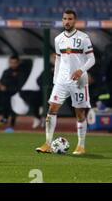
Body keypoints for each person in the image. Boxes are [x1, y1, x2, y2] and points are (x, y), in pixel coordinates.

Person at [36, 9, 95, 155]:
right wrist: (56, 80)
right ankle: (47, 143)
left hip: (79, 81)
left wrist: (81, 70)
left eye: (70, 19)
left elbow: (92, 59)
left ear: (75, 21)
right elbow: (58, 59)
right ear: (62, 20)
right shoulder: (58, 39)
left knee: (79, 113)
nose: (67, 21)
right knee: (51, 109)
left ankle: (81, 145)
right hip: (62, 81)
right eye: (64, 19)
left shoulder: (83, 38)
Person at [0, 55, 27, 132]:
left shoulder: (22, 72)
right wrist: (0, 85)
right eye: (11, 63)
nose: (13, 64)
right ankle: (5, 118)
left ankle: (11, 123)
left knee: (11, 102)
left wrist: (6, 88)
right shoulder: (6, 71)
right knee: (2, 98)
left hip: (17, 94)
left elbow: (20, 86)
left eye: (15, 63)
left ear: (18, 63)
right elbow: (1, 81)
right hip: (6, 93)